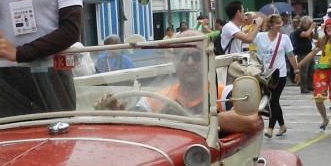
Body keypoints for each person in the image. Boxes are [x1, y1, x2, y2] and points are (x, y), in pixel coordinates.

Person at [98, 31, 257, 135]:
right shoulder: (156, 99)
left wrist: (193, 119)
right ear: (174, 61)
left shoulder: (223, 94)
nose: (189, 63)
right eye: (182, 57)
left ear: (207, 60)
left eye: (196, 57)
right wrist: (117, 114)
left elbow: (250, 120)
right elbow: (134, 126)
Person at [295, 18, 331, 134]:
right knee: (318, 99)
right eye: (327, 28)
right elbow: (312, 53)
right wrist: (297, 66)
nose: (329, 30)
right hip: (321, 70)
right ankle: (325, 119)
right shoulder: (323, 40)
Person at [253, 14, 300, 137]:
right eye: (277, 23)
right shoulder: (259, 37)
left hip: (280, 74)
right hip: (264, 74)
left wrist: (296, 70)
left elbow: (290, 55)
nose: (280, 25)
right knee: (274, 101)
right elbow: (246, 39)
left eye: (281, 23)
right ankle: (282, 125)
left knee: (273, 99)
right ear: (270, 25)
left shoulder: (284, 38)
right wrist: (254, 25)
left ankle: (270, 128)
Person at [292, 15, 316, 93]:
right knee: (304, 72)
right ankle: (303, 87)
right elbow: (305, 35)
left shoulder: (308, 30)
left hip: (310, 53)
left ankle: (311, 85)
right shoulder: (298, 31)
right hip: (302, 54)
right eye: (309, 23)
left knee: (311, 71)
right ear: (304, 23)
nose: (310, 25)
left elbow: (315, 37)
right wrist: (311, 27)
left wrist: (314, 29)